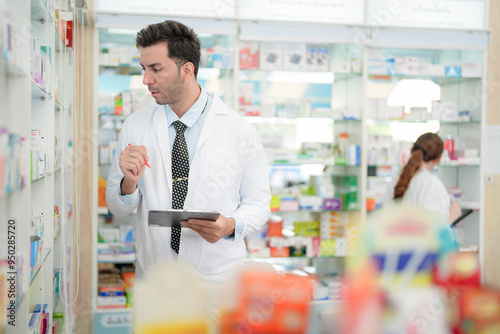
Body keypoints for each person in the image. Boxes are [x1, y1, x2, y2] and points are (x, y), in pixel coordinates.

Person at [105, 20, 271, 281]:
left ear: (187, 70)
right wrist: (129, 184)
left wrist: (230, 225)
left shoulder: (240, 130)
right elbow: (118, 208)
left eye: (156, 69)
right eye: (144, 69)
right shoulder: (135, 126)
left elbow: (258, 204)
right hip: (157, 277)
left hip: (217, 279)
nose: (146, 79)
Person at [387, 132, 462, 224]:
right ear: (438, 159)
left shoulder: (397, 179)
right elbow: (436, 233)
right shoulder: (431, 185)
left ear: (412, 150)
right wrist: (451, 218)